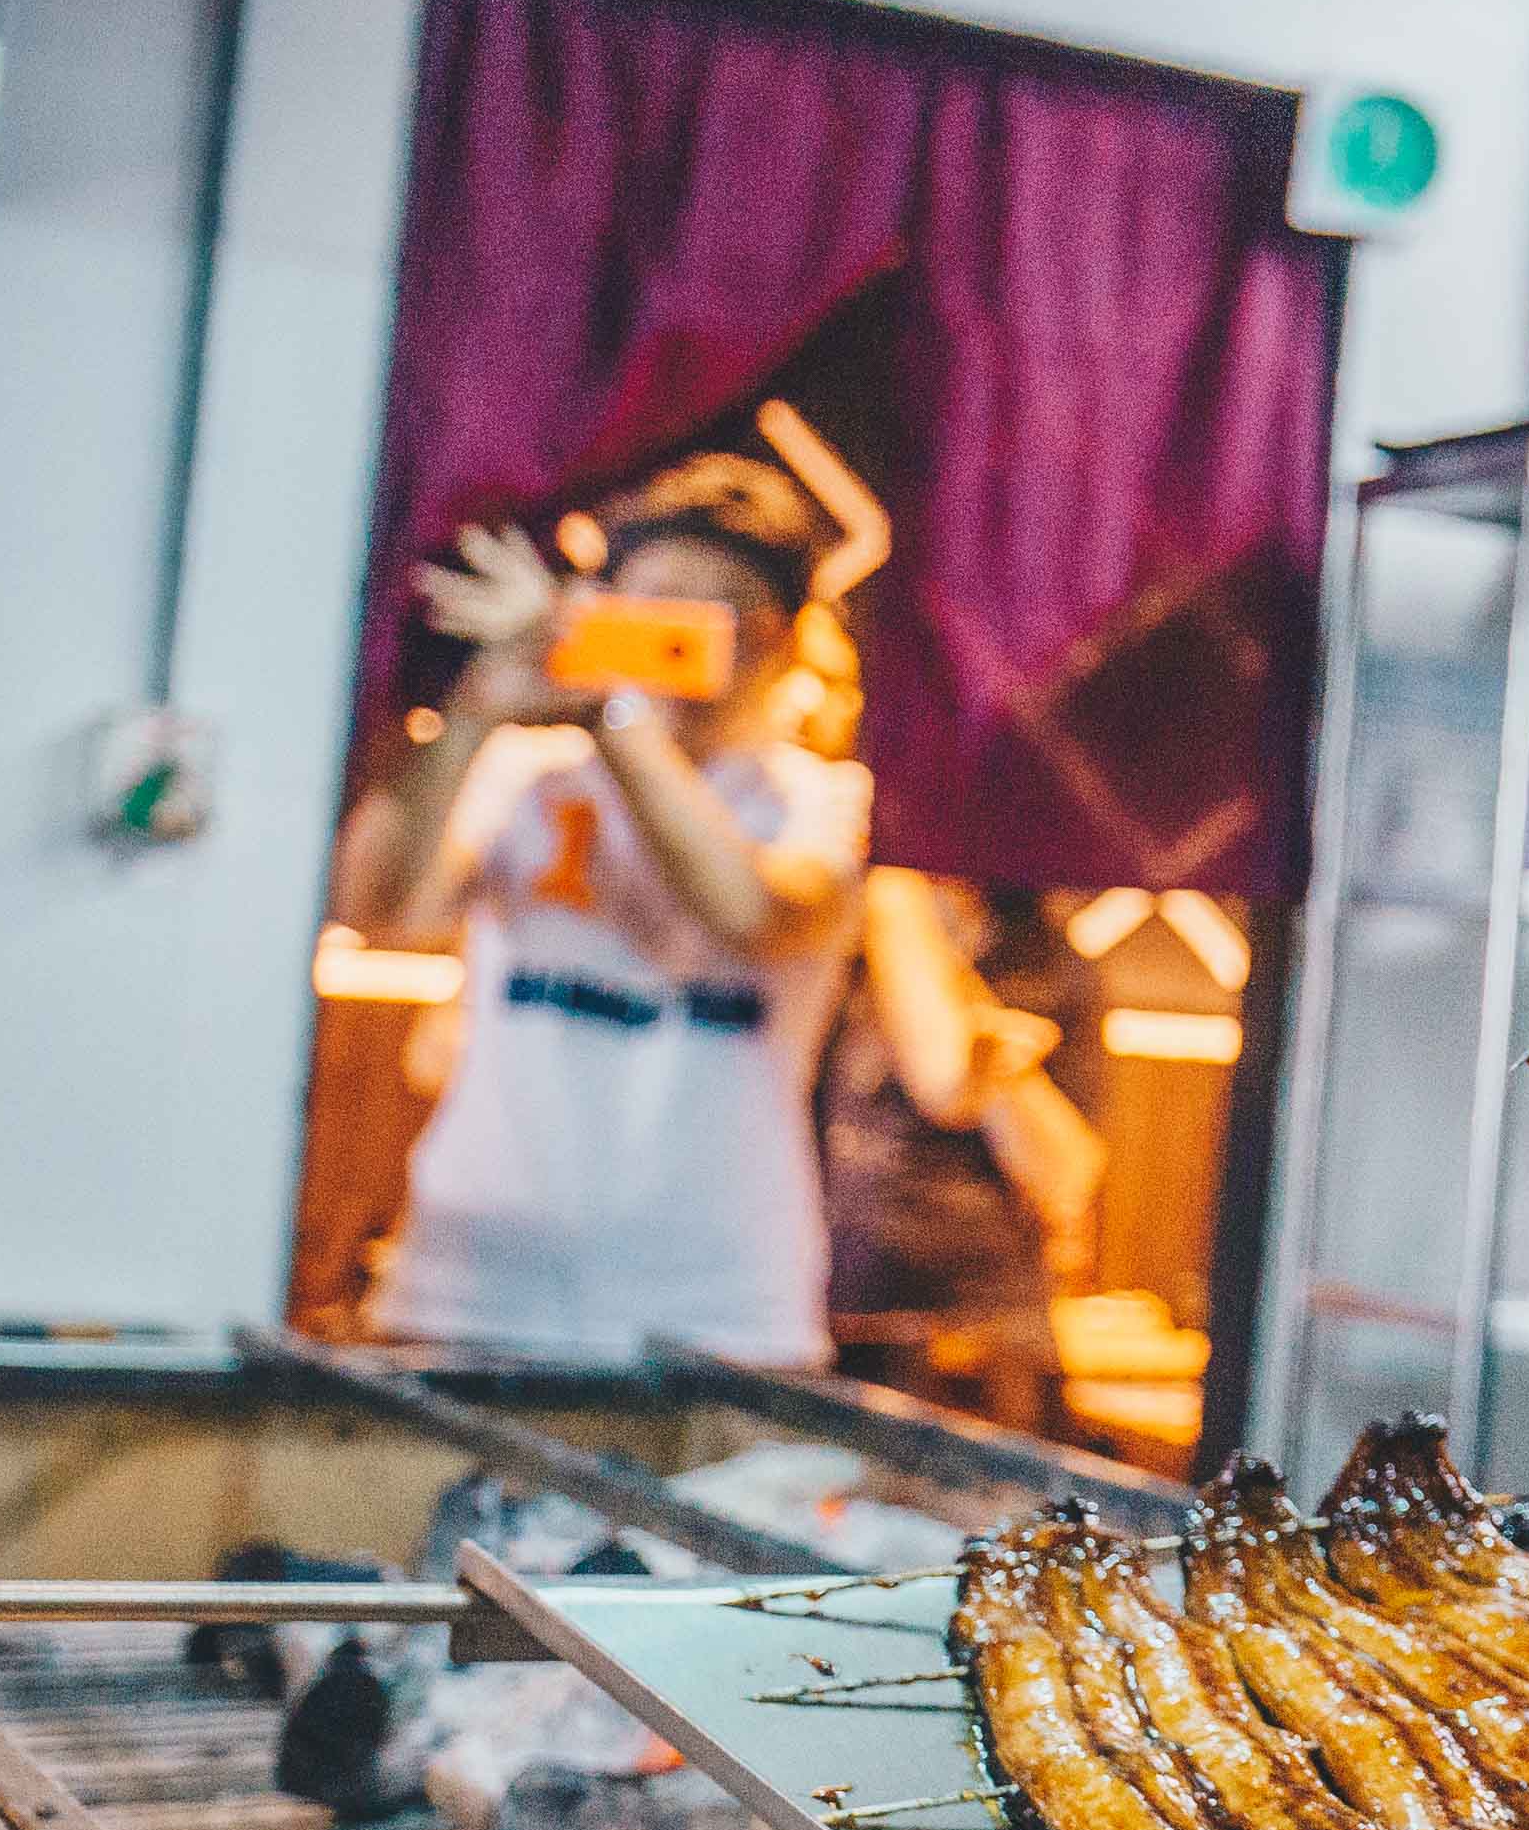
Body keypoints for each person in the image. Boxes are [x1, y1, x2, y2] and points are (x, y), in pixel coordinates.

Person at [332, 456, 871, 1366]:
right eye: (653, 601)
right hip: (474, 1280)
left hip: (720, 1302)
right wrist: (469, 716)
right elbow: (379, 912)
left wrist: (610, 713)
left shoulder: (818, 800)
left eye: (719, 607)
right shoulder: (523, 773)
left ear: (780, 638)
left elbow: (754, 915)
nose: (678, 633)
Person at [824, 872, 1109, 1430]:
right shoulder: (839, 931)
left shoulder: (1050, 960)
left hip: (995, 1327)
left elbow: (1069, 1175)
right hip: (848, 1315)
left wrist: (993, 1058)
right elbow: (943, 1084)